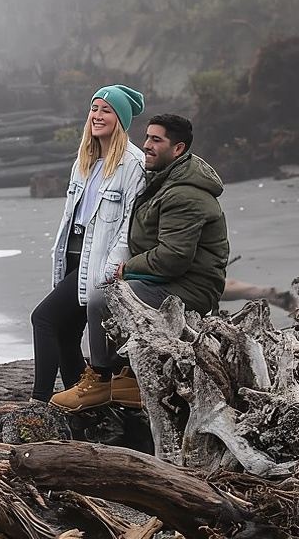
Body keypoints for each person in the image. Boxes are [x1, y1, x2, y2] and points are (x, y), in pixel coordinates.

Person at [51, 113, 229, 411]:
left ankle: (102, 379)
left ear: (178, 149)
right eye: (146, 137)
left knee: (105, 298)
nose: (146, 145)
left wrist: (128, 268)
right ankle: (126, 377)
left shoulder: (184, 194)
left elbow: (173, 258)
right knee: (110, 294)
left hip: (191, 287)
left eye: (156, 140)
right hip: (172, 278)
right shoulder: (163, 180)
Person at [29, 85, 146, 403]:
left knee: (44, 318)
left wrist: (112, 266)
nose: (97, 116)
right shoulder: (85, 160)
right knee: (67, 334)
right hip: (73, 256)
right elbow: (71, 218)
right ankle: (80, 402)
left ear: (120, 119)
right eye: (94, 109)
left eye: (106, 110)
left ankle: (39, 401)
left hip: (98, 262)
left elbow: (130, 223)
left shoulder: (133, 165)